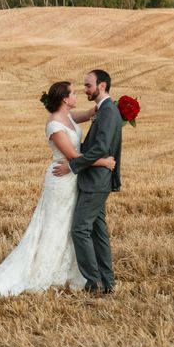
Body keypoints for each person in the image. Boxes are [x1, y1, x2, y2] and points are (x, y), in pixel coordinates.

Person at [0, 81, 116, 297]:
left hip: (73, 178)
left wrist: (109, 106)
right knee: (54, 224)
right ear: (64, 99)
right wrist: (103, 162)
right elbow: (71, 156)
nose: (78, 94)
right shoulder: (54, 125)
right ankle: (43, 271)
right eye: (73, 93)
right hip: (61, 177)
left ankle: (70, 270)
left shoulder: (69, 117)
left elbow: (91, 112)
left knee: (68, 223)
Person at [53, 70, 122, 295]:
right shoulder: (104, 110)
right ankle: (107, 282)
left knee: (80, 230)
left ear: (102, 86)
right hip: (94, 180)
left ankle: (94, 282)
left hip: (96, 182)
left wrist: (73, 166)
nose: (85, 90)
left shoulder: (109, 111)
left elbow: (101, 148)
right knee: (96, 231)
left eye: (88, 85)